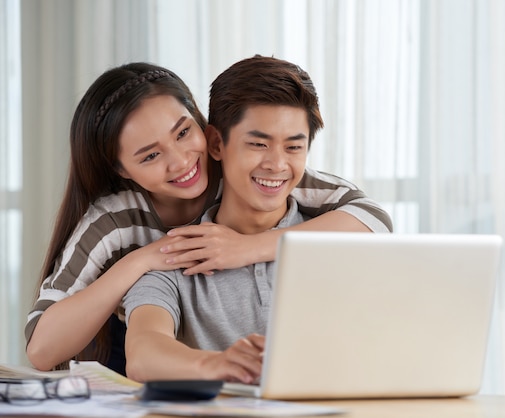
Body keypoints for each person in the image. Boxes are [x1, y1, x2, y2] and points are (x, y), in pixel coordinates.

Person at [25, 61, 392, 374]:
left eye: (184, 133)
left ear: (206, 133)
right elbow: (45, 348)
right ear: (120, 169)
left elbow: (373, 215)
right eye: (150, 156)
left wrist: (247, 248)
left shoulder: (265, 173)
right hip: (149, 324)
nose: (182, 161)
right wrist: (144, 259)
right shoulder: (118, 222)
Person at [123, 55, 365, 382]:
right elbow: (142, 352)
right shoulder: (179, 255)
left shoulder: (343, 243)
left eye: (294, 148)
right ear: (216, 144)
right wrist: (215, 365)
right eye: (258, 144)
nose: (277, 164)